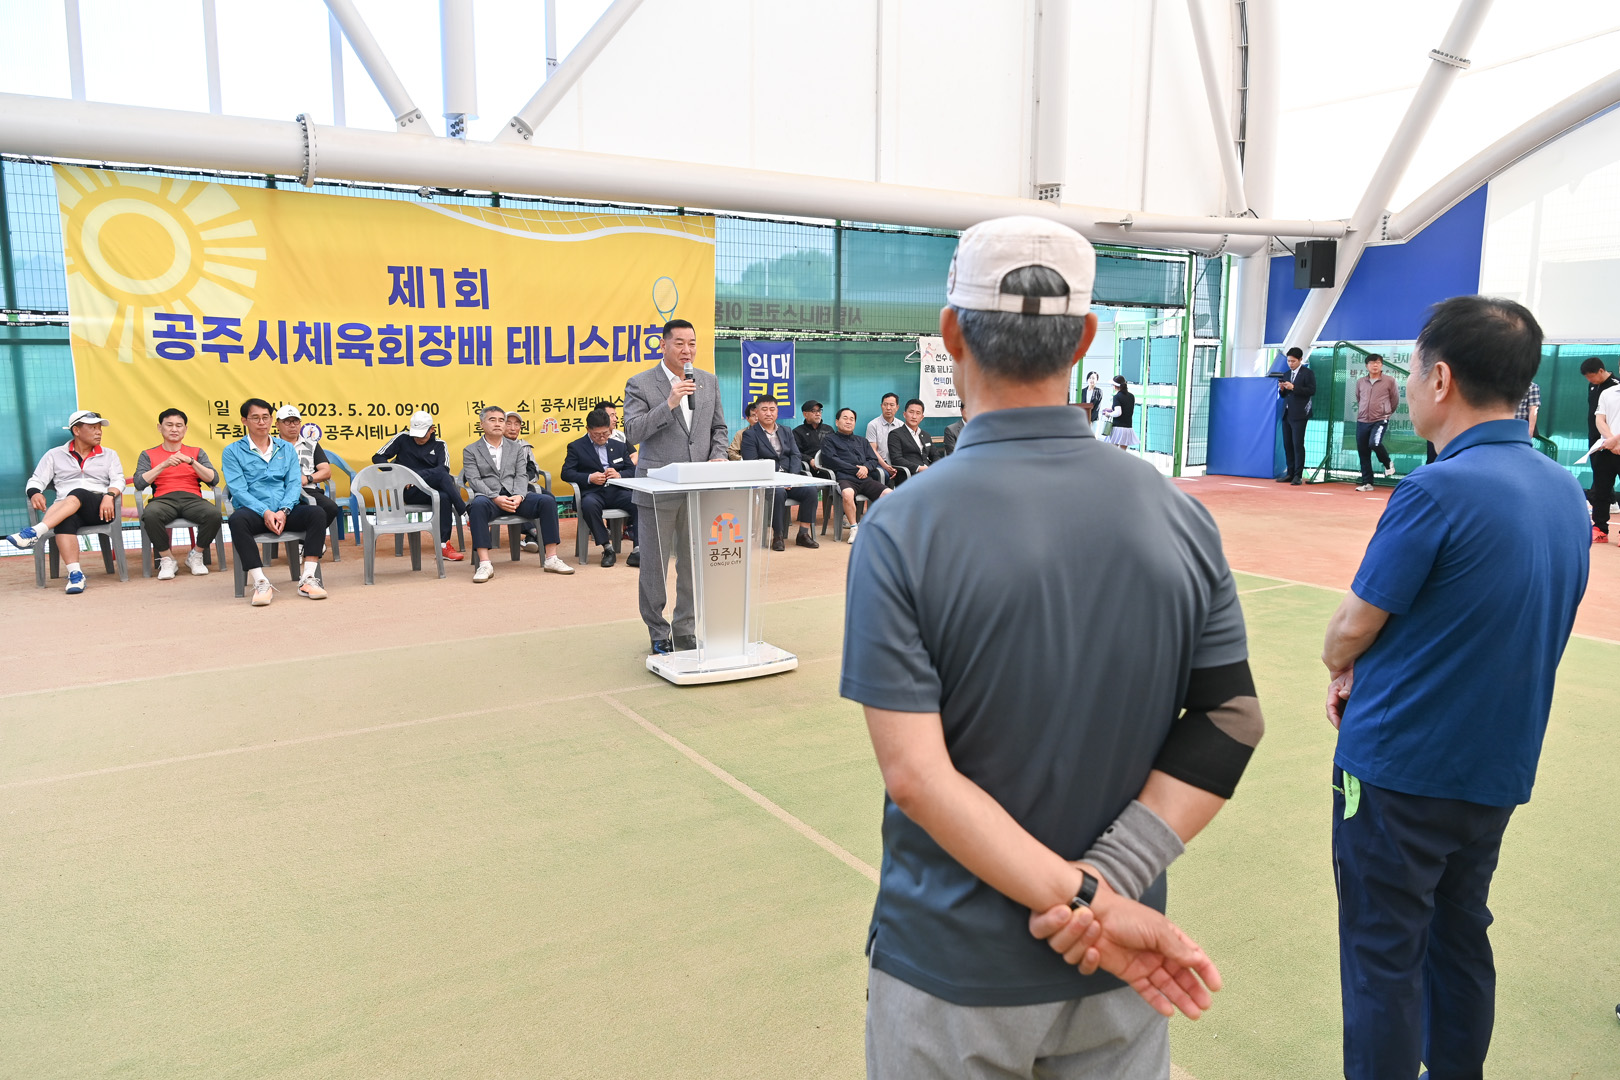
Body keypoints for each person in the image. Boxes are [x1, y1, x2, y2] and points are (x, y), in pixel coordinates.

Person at [843, 217, 1253, 1078]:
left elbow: (917, 775)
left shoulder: (902, 526)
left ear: (952, 333)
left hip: (950, 970)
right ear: (1087, 337)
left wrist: (1081, 895)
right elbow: (1231, 720)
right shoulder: (1180, 516)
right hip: (1116, 962)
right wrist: (1107, 886)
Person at [1322, 296, 1587, 1080]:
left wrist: (1341, 666)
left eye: (1411, 371)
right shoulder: (1565, 493)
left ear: (1440, 379)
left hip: (1401, 768)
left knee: (1382, 956)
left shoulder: (1435, 490)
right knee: (1460, 938)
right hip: (1494, 769)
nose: (1408, 386)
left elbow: (1351, 627)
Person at [623, 318, 730, 654]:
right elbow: (633, 432)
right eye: (680, 343)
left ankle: (685, 629)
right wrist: (668, 403)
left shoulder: (708, 381)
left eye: (692, 343)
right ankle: (658, 630)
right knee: (654, 566)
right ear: (663, 345)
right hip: (658, 488)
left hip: (699, 488)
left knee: (692, 563)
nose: (687, 350)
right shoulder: (640, 383)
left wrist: (718, 455)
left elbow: (719, 429)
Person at [221, 398, 328, 605]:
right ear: (244, 420)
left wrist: (284, 510)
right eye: (255, 418)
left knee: (317, 513)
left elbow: (294, 483)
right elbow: (238, 490)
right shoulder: (232, 451)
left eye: (265, 417)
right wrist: (265, 512)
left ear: (271, 420)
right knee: (236, 520)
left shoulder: (286, 448)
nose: (261, 422)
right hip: (254, 512)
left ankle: (307, 578)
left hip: (284, 511)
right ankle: (261, 582)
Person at [7, 410, 126, 595]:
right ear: (76, 431)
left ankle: (36, 531)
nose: (99, 432)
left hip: (100, 508)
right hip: (66, 508)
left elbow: (119, 480)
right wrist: (35, 493)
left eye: (99, 428)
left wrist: (110, 495)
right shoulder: (54, 455)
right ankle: (75, 575)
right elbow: (36, 480)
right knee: (65, 520)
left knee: (79, 492)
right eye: (93, 428)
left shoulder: (110, 454)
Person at [460, 405, 573, 580]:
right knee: (477, 506)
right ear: (482, 424)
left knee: (547, 501)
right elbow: (474, 480)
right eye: (492, 420)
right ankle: (484, 564)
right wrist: (495, 497)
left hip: (515, 496)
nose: (498, 424)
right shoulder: (471, 450)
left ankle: (551, 558)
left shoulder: (516, 448)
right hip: (490, 498)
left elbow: (522, 475)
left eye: (501, 420)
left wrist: (519, 496)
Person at [133, 407, 221, 579]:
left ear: (185, 429)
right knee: (150, 515)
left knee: (214, 515)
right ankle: (167, 559)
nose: (174, 429)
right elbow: (139, 483)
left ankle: (196, 555)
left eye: (179, 425)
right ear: (160, 427)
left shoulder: (196, 452)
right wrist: (163, 465)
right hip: (163, 500)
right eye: (169, 425)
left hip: (192, 499)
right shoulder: (148, 454)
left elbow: (213, 479)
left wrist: (191, 461)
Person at [373, 410, 466, 562]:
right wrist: (399, 476)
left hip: (433, 490)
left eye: (422, 435)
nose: (418, 439)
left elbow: (443, 469)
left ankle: (443, 545)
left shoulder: (440, 445)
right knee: (444, 479)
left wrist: (417, 476)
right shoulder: (402, 438)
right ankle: (465, 513)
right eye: (415, 435)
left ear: (432, 429)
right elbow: (378, 457)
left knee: (444, 494)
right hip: (411, 491)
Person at [561, 408, 640, 568]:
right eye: (597, 435)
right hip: (593, 492)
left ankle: (638, 549)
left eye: (605, 433)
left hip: (617, 491)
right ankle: (607, 547)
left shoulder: (619, 446)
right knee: (589, 505)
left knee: (639, 502)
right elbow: (566, 473)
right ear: (588, 430)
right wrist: (589, 478)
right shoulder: (577, 447)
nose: (602, 437)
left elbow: (632, 470)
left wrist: (619, 475)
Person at [740, 395, 820, 550]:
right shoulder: (750, 434)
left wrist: (791, 478)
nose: (768, 413)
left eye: (772, 409)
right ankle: (778, 536)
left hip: (789, 479)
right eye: (764, 409)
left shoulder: (786, 431)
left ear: (777, 412)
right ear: (756, 412)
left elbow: (795, 455)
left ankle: (803, 534)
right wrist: (777, 481)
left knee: (810, 490)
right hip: (768, 482)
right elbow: (752, 462)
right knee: (778, 493)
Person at [820, 407, 891, 543]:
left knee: (889, 494)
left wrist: (866, 468)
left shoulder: (862, 441)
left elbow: (873, 459)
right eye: (845, 418)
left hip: (865, 479)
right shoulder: (829, 440)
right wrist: (857, 470)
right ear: (837, 422)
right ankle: (854, 528)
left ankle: (878, 527)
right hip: (844, 478)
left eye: (852, 419)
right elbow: (831, 460)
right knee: (847, 494)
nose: (848, 421)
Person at [275, 406, 341, 534]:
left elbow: (326, 471)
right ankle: (305, 538)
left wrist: (308, 478)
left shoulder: (311, 444)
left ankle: (308, 540)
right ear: (277, 424)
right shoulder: (271, 445)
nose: (292, 425)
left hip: (307, 488)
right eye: (287, 421)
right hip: (281, 491)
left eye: (296, 421)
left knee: (330, 507)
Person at [1581, 357, 1618, 543]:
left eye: (1592, 376)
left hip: (1616, 444)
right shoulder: (1597, 389)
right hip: (1599, 444)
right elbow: (1598, 418)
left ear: (1601, 371)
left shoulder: (1615, 385)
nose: (1590, 380)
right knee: (1601, 486)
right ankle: (1600, 528)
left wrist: (1614, 441)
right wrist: (1604, 440)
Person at [1353, 354, 1398, 491]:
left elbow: (1394, 400)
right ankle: (1367, 483)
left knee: (1374, 443)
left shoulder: (1389, 381)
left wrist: (1385, 413)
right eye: (1372, 363)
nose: (1375, 365)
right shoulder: (1361, 382)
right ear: (1366, 366)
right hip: (1362, 420)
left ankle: (1387, 462)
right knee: (1363, 451)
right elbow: (1359, 398)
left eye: (1378, 363)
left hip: (1380, 419)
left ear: (1382, 365)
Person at [504, 411, 543, 553]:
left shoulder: (524, 446)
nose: (513, 428)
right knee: (520, 498)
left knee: (547, 498)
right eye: (508, 424)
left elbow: (533, 470)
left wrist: (522, 481)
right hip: (503, 488)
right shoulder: (495, 446)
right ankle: (535, 533)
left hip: (524, 485)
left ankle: (533, 537)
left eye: (516, 424)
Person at [1277, 346, 1315, 484]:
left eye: (1293, 361)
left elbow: (1311, 391)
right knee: (1287, 444)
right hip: (1287, 413)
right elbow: (1283, 395)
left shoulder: (1307, 373)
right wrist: (1282, 389)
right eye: (1288, 361)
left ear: (1300, 360)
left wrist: (1294, 387)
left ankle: (1298, 475)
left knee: (1297, 444)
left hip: (1300, 414)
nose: (1290, 363)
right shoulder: (1286, 374)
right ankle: (1290, 472)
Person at [886, 398, 935, 480]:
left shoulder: (926, 435)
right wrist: (918, 468)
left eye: (918, 413)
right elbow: (896, 459)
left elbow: (935, 455)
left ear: (922, 417)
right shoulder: (895, 434)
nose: (914, 416)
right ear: (904, 414)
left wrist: (936, 468)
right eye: (911, 412)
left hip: (929, 472)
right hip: (909, 474)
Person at [866, 392, 903, 482]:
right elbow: (872, 450)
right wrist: (885, 466)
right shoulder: (873, 425)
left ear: (897, 407)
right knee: (884, 475)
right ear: (881, 406)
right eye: (885, 404)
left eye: (892, 405)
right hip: (879, 462)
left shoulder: (901, 425)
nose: (888, 408)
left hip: (896, 461)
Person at [1103, 375, 1137, 450]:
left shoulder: (1117, 397)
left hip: (1118, 428)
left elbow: (1118, 413)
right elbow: (1125, 408)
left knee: (1113, 452)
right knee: (1123, 452)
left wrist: (1108, 414)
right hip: (1128, 428)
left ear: (1115, 386)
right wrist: (1112, 409)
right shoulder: (1131, 396)